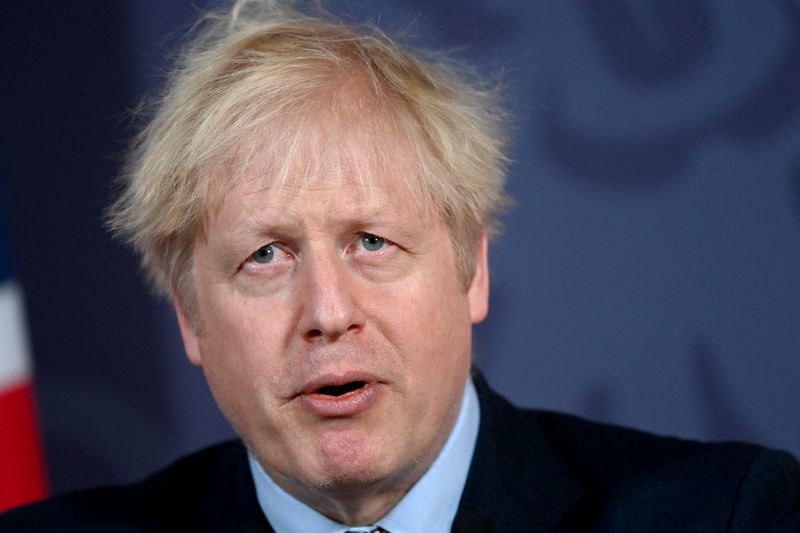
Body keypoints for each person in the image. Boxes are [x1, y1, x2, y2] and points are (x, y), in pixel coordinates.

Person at [2, 1, 799, 531]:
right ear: (189, 316)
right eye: (266, 254)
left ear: (472, 268)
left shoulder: (727, 514)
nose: (327, 310)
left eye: (371, 242)